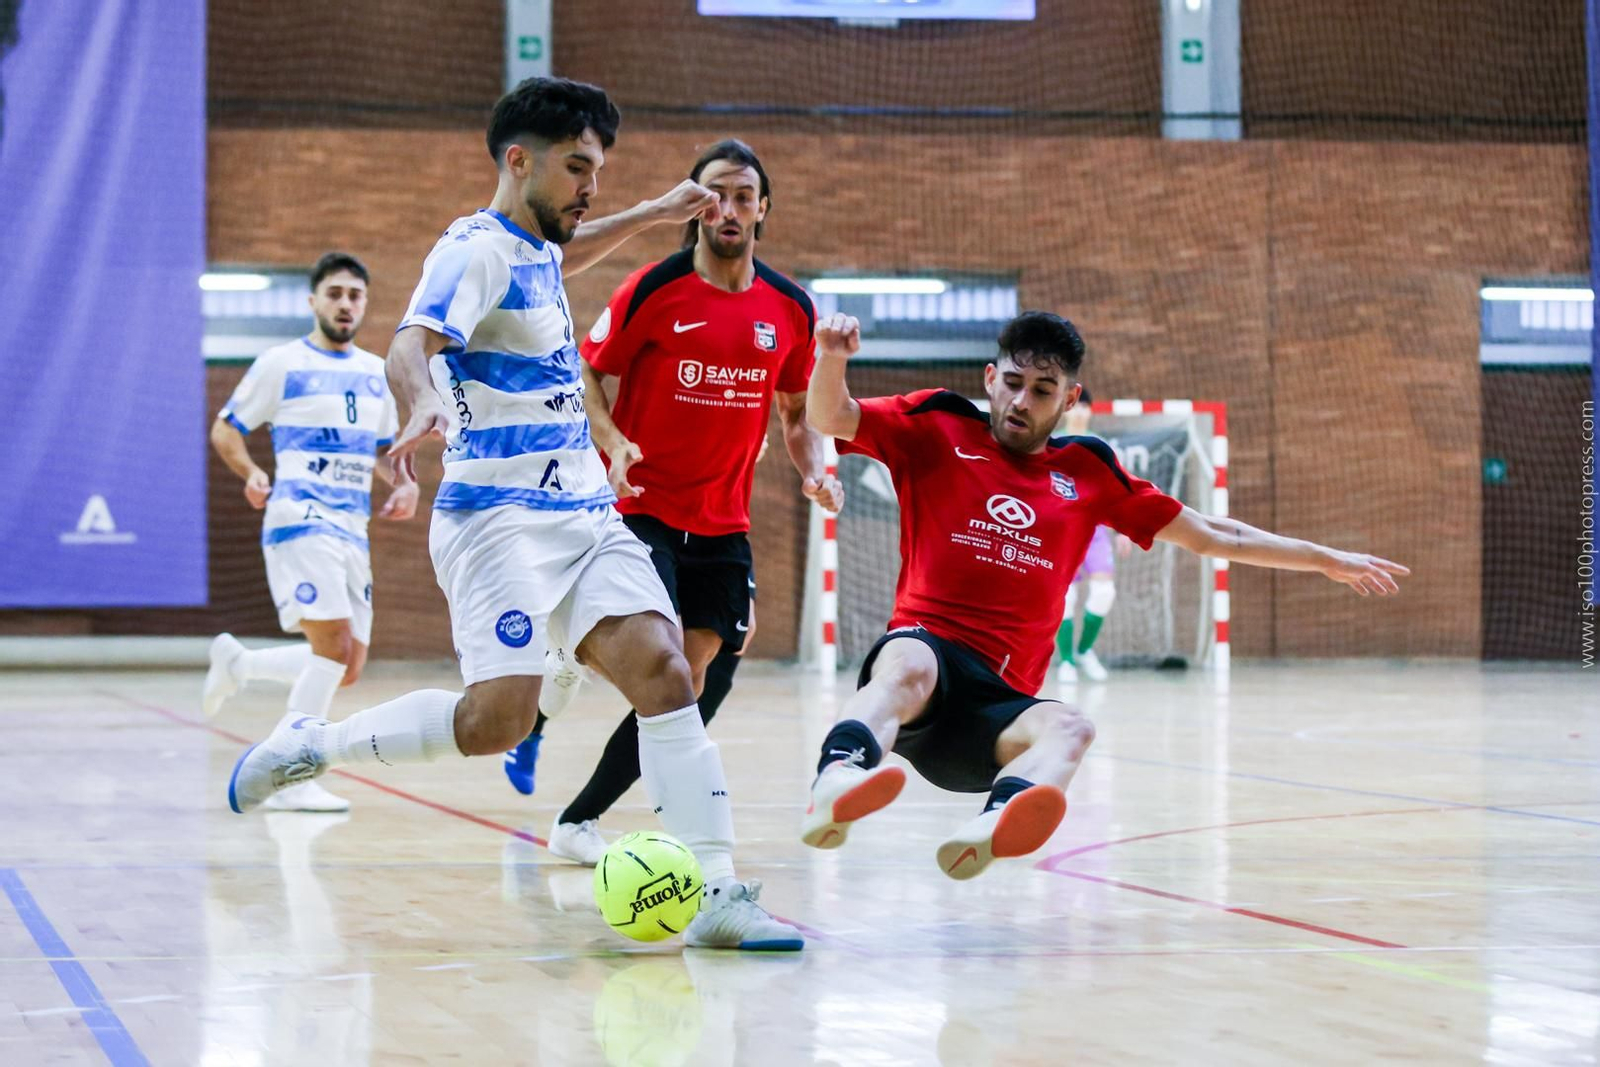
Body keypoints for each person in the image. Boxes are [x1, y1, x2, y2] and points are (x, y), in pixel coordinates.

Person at [224, 77, 802, 951]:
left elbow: (565, 256)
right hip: (498, 518)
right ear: (518, 159)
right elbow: (409, 342)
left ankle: (719, 888)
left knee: (665, 671)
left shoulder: (533, 245)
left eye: (598, 168)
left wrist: (649, 209)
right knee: (497, 720)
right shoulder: (474, 250)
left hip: (583, 509)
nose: (590, 186)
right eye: (578, 167)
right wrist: (418, 402)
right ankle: (315, 742)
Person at [800, 310, 1409, 880]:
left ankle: (993, 824)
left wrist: (1324, 558)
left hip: (994, 714)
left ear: (1068, 399)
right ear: (990, 378)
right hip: (924, 672)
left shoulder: (1088, 470)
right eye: (1011, 381)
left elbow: (1210, 533)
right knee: (909, 663)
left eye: (1041, 390)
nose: (1020, 400)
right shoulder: (935, 423)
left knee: (1072, 727)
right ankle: (839, 776)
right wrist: (830, 355)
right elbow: (832, 417)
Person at [529, 139, 842, 864]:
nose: (727, 208)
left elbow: (796, 415)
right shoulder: (652, 288)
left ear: (763, 208)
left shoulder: (790, 308)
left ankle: (576, 820)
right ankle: (703, 853)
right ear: (695, 204)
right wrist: (613, 444)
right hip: (642, 509)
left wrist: (816, 469)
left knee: (695, 680)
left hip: (724, 520)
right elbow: (588, 377)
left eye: (742, 195)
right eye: (714, 194)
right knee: (664, 664)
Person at [203, 252, 416, 812]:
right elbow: (226, 429)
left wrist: (405, 483)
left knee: (347, 665)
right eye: (336, 293)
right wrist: (251, 471)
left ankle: (240, 665)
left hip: (351, 527)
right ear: (314, 301)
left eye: (355, 295)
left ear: (365, 304)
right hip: (300, 518)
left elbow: (383, 453)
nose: (346, 304)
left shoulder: (374, 372)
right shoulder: (281, 363)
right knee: (333, 648)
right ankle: (288, 775)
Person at [1053, 388, 1122, 684]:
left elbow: (1118, 490)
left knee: (1105, 592)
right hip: (1061, 531)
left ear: (1091, 411)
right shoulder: (1051, 443)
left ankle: (1084, 651)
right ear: (1065, 409)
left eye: (1085, 406)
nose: (1080, 411)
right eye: (1075, 406)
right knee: (1064, 597)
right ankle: (1066, 660)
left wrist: (1124, 529)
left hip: (1094, 531)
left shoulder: (1101, 446)